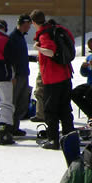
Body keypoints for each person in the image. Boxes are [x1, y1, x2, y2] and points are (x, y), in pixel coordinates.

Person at [31, 9, 76, 150]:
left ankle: (53, 139)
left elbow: (50, 51)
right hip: (66, 74)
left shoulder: (44, 35)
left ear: (34, 22)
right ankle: (70, 138)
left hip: (52, 78)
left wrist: (38, 48)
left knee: (50, 110)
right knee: (65, 109)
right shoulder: (59, 29)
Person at [9, 14, 33, 136]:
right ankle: (10, 127)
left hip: (24, 74)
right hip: (17, 76)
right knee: (14, 101)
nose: (29, 27)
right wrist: (12, 75)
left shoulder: (21, 37)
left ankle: (15, 126)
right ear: (24, 24)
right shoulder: (13, 37)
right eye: (28, 25)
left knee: (22, 103)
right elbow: (10, 59)